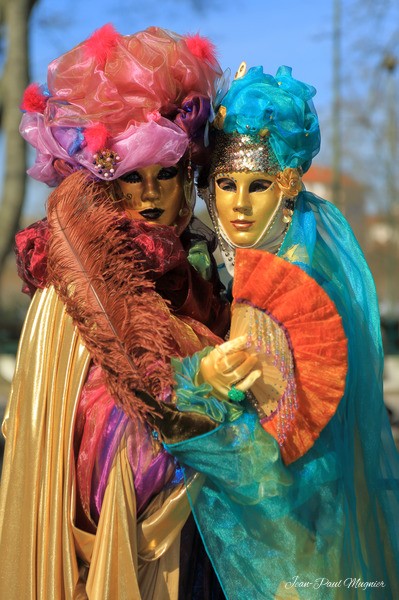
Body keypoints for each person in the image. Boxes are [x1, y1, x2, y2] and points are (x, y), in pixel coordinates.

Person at [0, 25, 229, 599]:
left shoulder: (200, 279)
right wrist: (197, 385)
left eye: (166, 175)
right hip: (128, 555)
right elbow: (106, 471)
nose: (150, 197)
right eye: (131, 178)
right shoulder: (72, 293)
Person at [159, 64, 399, 599]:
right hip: (187, 530)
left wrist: (201, 383)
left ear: (286, 188)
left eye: (258, 185)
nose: (240, 203)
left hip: (287, 527)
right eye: (226, 183)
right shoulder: (195, 265)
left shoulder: (307, 276)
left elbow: (282, 440)